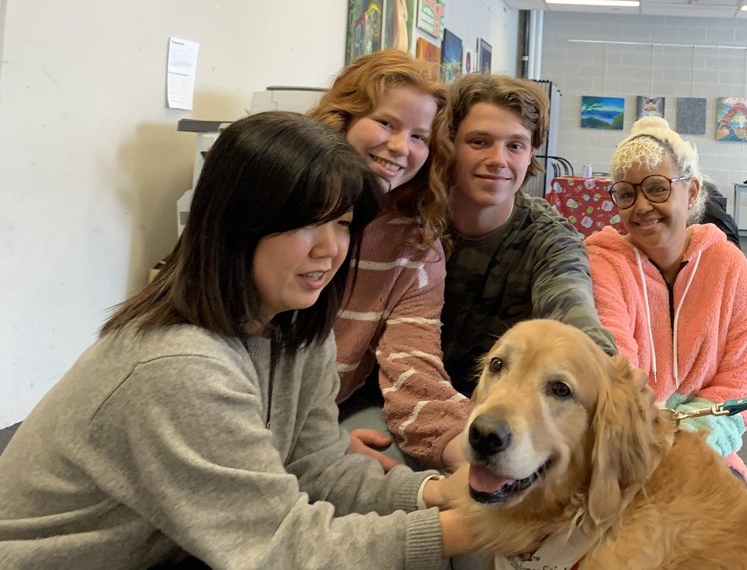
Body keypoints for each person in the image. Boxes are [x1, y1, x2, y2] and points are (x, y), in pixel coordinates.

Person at [0, 112, 478, 567]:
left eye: (343, 224)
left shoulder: (297, 332)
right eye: (306, 221)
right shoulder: (178, 366)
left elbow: (315, 468)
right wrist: (476, 529)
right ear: (237, 222)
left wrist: (436, 492)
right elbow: (280, 549)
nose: (330, 249)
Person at [309, 50, 468, 472]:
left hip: (323, 417)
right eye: (385, 123)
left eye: (419, 136)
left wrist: (473, 463)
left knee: (388, 466)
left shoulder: (414, 248)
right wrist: (317, 442)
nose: (400, 147)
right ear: (343, 118)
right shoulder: (280, 214)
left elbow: (413, 370)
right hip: (249, 413)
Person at [586, 117, 747, 483]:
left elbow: (740, 380)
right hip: (623, 443)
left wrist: (688, 444)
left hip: (707, 442)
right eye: (626, 193)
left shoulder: (728, 264)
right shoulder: (601, 262)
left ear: (693, 191)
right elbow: (613, 372)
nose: (641, 207)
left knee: (724, 518)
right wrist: (649, 444)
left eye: (657, 188)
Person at [439, 73, 616, 396]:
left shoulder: (550, 240)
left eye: (515, 146)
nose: (497, 160)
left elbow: (574, 311)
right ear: (449, 144)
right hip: (387, 396)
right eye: (479, 142)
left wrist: (610, 376)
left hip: (494, 415)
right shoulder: (414, 222)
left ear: (532, 152)